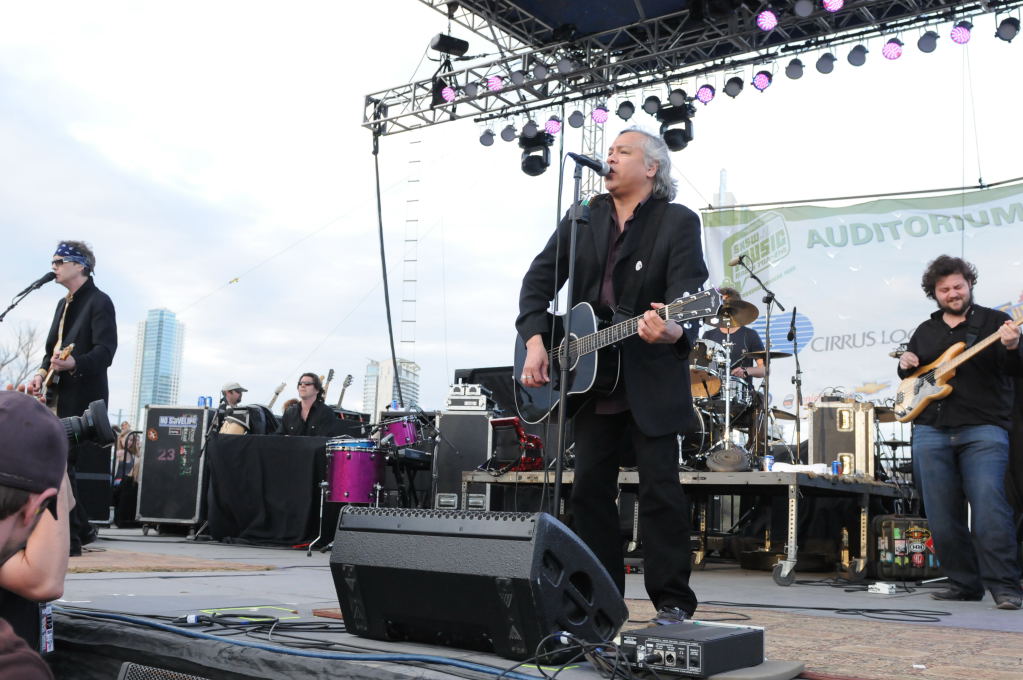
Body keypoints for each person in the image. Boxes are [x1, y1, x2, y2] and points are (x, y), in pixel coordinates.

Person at [517, 127, 708, 623]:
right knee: (588, 494)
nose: (611, 158)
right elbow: (538, 281)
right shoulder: (583, 217)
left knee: (660, 490)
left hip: (650, 375)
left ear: (651, 167)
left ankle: (672, 602)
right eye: (609, 151)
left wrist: (673, 327)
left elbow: (688, 292)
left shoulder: (677, 221)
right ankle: (599, 600)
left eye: (623, 151)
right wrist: (536, 340)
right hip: (588, 380)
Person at [898, 255, 1023, 609]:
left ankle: (1005, 586)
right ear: (934, 294)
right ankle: (964, 583)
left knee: (989, 507)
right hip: (930, 429)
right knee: (940, 514)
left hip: (983, 428)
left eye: (958, 286)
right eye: (945, 289)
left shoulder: (995, 322)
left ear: (969, 285)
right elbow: (914, 378)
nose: (953, 293)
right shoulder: (925, 330)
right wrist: (905, 364)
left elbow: (1014, 370)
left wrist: (1013, 346)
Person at [26, 241, 116, 557]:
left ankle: (74, 536)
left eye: (59, 261)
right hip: (57, 392)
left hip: (83, 396)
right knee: (59, 463)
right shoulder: (62, 305)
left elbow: (106, 352)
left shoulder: (100, 301)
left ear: (80, 265)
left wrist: (75, 363)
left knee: (64, 462)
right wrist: (41, 374)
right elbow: (50, 349)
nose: (54, 267)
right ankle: (79, 531)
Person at [0, 391, 70, 678]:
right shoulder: (14, 666)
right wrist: (46, 449)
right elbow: (44, 580)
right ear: (35, 508)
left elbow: (65, 510)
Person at [277, 373, 342, 437]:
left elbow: (325, 440)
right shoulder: (290, 412)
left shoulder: (326, 412)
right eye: (300, 383)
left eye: (307, 384)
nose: (302, 385)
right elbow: (278, 436)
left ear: (317, 390)